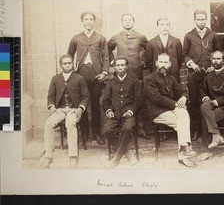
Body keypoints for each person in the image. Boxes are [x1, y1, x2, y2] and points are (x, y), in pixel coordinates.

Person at [144, 53, 197, 167]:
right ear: (156, 63)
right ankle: (184, 152)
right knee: (182, 121)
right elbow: (156, 98)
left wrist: (183, 97)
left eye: (166, 62)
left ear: (170, 64)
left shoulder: (171, 78)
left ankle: (183, 150)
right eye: (161, 62)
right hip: (157, 111)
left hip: (172, 108)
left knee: (183, 113)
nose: (163, 65)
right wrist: (176, 104)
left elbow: (181, 90)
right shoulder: (149, 79)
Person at [39, 54, 90, 169]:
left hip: (73, 110)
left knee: (70, 123)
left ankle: (73, 156)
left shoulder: (79, 78)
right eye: (65, 63)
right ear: (61, 65)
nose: (67, 65)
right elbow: (50, 96)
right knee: (48, 123)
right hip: (60, 109)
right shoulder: (56, 78)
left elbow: (86, 96)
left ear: (73, 64)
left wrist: (80, 108)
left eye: (69, 63)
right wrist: (52, 107)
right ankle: (48, 156)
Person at [68, 11, 109, 145]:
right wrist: (72, 72)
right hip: (81, 74)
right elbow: (69, 56)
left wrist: (104, 72)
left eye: (91, 19)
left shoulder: (100, 38)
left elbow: (106, 57)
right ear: (82, 21)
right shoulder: (76, 38)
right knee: (82, 104)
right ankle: (84, 133)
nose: (89, 22)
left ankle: (96, 133)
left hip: (96, 74)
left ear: (94, 21)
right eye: (86, 19)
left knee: (96, 104)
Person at [107, 13, 150, 140]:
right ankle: (122, 127)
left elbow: (148, 49)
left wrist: (143, 60)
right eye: (125, 20)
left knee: (138, 99)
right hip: (120, 72)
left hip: (136, 72)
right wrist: (111, 61)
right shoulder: (116, 37)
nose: (127, 22)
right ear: (121, 22)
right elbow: (107, 48)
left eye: (130, 20)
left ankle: (140, 129)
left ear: (133, 21)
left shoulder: (140, 37)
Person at [182, 9, 220, 141]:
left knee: (208, 100)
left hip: (209, 73)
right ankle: (195, 129)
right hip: (194, 74)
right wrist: (192, 64)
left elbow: (217, 53)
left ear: (206, 20)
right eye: (198, 19)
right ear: (194, 20)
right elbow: (184, 54)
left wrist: (212, 66)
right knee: (193, 101)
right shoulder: (189, 36)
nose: (201, 21)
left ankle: (209, 130)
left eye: (203, 19)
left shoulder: (213, 35)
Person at [101, 56, 143, 168]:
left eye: (123, 65)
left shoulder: (134, 81)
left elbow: (139, 100)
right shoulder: (110, 82)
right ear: (114, 67)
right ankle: (127, 153)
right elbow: (105, 101)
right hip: (114, 114)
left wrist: (131, 111)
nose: (120, 67)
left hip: (129, 114)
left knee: (127, 128)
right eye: (118, 65)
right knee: (106, 130)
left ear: (127, 66)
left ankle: (116, 159)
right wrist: (109, 110)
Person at [200, 51, 224, 148]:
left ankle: (206, 150)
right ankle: (216, 135)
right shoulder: (210, 75)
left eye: (218, 59)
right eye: (214, 59)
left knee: (205, 119)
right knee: (204, 106)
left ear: (223, 61)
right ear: (211, 60)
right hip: (212, 105)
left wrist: (218, 101)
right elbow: (201, 87)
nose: (216, 61)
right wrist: (205, 96)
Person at [146, 17, 182, 82]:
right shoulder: (151, 43)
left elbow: (179, 60)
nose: (165, 27)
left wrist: (174, 68)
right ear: (157, 27)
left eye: (167, 24)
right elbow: (149, 61)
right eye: (162, 25)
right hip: (157, 75)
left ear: (169, 26)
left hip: (173, 74)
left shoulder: (177, 41)